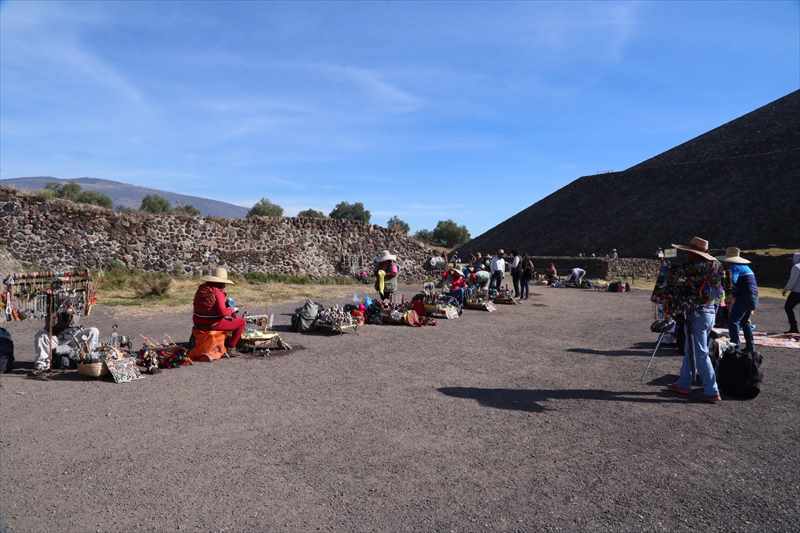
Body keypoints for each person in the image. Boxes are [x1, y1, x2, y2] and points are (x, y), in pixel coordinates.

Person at [666, 236, 724, 403]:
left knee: (700, 352)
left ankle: (712, 390)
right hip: (710, 311)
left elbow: (674, 279)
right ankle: (684, 383)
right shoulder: (716, 266)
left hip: (697, 313)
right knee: (691, 348)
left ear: (694, 253)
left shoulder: (693, 268)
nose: (687, 255)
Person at [32, 301, 100, 376]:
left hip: (73, 338)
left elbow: (76, 321)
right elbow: (48, 327)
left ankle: (90, 360)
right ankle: (43, 365)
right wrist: (56, 315)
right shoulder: (52, 306)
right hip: (57, 339)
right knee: (41, 335)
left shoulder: (75, 305)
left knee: (93, 331)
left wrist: (71, 313)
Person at [192, 267, 245, 355]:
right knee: (241, 322)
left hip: (198, 322)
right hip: (211, 323)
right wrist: (232, 309)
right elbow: (223, 312)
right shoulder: (217, 292)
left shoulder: (202, 289)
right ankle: (231, 348)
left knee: (228, 320)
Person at [720, 247, 758, 352]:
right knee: (745, 322)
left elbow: (733, 282)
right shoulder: (745, 267)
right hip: (753, 297)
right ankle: (750, 347)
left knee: (733, 321)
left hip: (744, 298)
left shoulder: (735, 267)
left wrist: (724, 280)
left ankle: (735, 346)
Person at [783, 252, 800, 334]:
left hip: (797, 292)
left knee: (788, 307)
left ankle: (794, 327)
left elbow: (792, 281)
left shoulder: (796, 267)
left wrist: (786, 289)